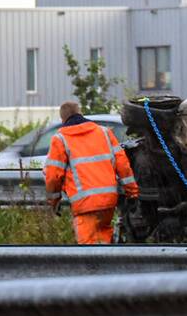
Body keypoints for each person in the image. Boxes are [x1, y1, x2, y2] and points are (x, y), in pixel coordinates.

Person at [45, 101, 140, 244]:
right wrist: (132, 192)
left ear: (63, 120)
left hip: (85, 204)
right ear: (81, 113)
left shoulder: (60, 139)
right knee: (103, 242)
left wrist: (54, 201)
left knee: (89, 252)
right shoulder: (104, 132)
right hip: (108, 201)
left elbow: (53, 176)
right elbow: (123, 165)